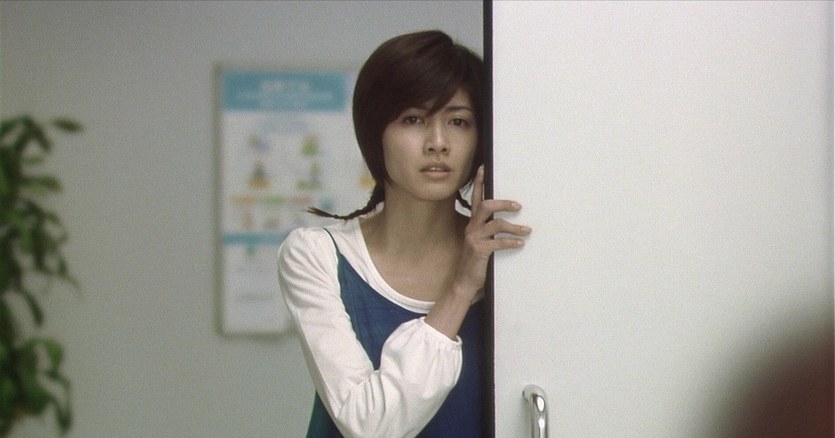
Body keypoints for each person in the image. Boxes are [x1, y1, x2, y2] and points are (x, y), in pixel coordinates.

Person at [277, 30, 531, 438]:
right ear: (375, 132)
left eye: (458, 122)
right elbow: (368, 423)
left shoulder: (504, 255)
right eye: (413, 119)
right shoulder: (317, 254)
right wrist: (461, 287)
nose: (438, 143)